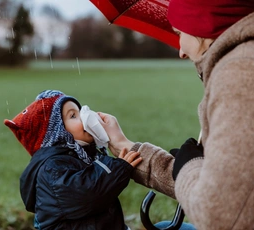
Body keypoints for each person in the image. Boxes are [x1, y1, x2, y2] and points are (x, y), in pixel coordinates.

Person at [97, 0, 254, 229]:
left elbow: (221, 215)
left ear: (202, 26)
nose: (180, 51)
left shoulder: (238, 74)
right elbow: (228, 191)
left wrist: (191, 164)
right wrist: (126, 145)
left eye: (179, 32)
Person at [4, 90, 142, 230]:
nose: (83, 117)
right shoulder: (52, 168)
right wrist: (119, 169)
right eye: (73, 115)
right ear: (57, 133)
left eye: (80, 111)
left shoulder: (84, 155)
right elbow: (88, 194)